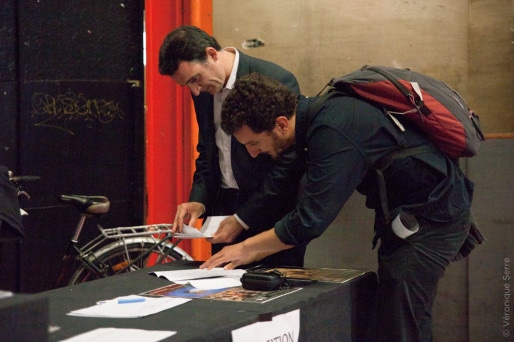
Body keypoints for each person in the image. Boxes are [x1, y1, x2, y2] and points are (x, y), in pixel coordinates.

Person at [200, 73, 474, 341]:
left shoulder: (333, 129)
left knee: (399, 323)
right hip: (412, 216)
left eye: (253, 143)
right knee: (406, 316)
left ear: (281, 124)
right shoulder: (320, 117)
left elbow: (310, 221)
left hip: (433, 217)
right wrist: (242, 222)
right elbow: (290, 182)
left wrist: (244, 249)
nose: (252, 153)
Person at [158, 26, 305, 266]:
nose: (195, 90)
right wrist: (199, 200)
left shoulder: (275, 79)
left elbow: (289, 162)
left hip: (269, 210)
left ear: (212, 54)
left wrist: (244, 218)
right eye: (187, 86)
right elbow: (208, 149)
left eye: (195, 79)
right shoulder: (203, 90)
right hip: (223, 211)